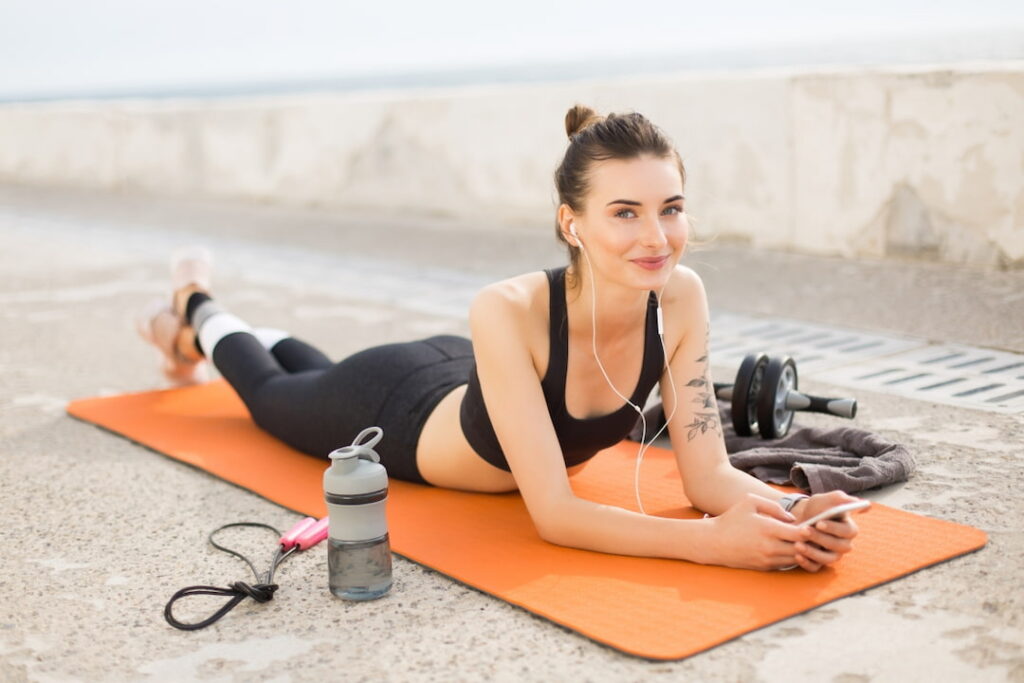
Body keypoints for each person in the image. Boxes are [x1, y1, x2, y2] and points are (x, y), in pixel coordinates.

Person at [138, 105, 862, 572]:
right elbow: (554, 515)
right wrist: (708, 544)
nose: (656, 237)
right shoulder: (507, 307)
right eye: (625, 212)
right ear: (571, 223)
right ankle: (197, 306)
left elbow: (706, 477)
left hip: (468, 375)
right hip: (398, 407)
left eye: (670, 208)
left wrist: (793, 515)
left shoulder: (682, 297)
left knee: (308, 373)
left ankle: (216, 329)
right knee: (272, 394)